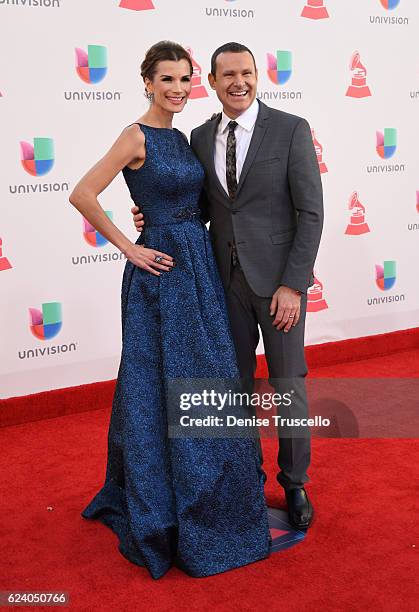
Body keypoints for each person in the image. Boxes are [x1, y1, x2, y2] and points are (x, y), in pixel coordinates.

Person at [69, 41, 271, 580]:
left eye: (185, 79)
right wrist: (130, 245)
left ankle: (209, 493)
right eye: (168, 80)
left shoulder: (182, 137)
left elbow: (194, 201)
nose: (179, 89)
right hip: (159, 276)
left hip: (198, 267)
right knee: (157, 383)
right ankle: (165, 503)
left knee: (206, 377)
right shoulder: (134, 136)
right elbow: (82, 193)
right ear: (147, 84)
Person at [133, 42, 324, 530]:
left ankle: (294, 483)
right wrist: (150, 213)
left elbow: (311, 213)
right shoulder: (197, 136)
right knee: (231, 388)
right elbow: (197, 207)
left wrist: (293, 286)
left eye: (247, 72)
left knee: (287, 385)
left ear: (257, 76)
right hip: (219, 284)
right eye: (227, 75)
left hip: (278, 285)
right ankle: (241, 480)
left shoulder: (291, 129)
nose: (238, 81)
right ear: (212, 83)